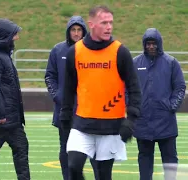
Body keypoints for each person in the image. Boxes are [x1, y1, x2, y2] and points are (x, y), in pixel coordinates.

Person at [59, 5, 141, 180]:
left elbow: (134, 87)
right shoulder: (76, 51)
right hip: (82, 124)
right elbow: (68, 87)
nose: (109, 27)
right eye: (104, 22)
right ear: (92, 24)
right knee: (73, 166)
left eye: (111, 22)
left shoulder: (120, 52)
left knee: (103, 176)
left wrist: (131, 119)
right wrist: (65, 114)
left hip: (111, 127)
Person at [45, 15, 100, 180]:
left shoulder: (94, 50)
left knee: (94, 150)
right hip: (65, 112)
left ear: (84, 31)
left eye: (79, 30)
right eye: (73, 30)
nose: (76, 33)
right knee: (66, 149)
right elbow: (50, 76)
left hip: (89, 111)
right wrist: (58, 96)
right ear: (68, 32)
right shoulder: (58, 50)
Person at [132, 28, 186, 180]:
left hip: (165, 122)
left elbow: (180, 87)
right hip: (143, 122)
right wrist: (133, 107)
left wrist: (172, 106)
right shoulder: (135, 63)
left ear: (159, 44)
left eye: (153, 43)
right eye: (148, 43)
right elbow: (127, 87)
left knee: (170, 161)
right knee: (144, 160)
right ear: (144, 44)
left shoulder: (171, 63)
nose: (150, 46)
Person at [0, 18, 30, 180]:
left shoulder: (2, 54)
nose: (17, 38)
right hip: (2, 119)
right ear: (5, 36)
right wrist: (1, 115)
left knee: (21, 149)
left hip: (12, 118)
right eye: (14, 35)